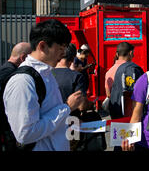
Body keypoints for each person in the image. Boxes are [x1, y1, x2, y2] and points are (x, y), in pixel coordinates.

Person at [2, 19, 83, 151]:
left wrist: (66, 123)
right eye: (60, 48)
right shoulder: (23, 81)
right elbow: (25, 133)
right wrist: (66, 107)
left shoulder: (46, 73)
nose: (63, 54)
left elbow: (48, 115)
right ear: (42, 46)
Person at [108, 42, 144, 119]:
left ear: (117, 54)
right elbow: (132, 94)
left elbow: (109, 94)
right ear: (130, 53)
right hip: (129, 114)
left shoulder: (111, 71)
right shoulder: (132, 69)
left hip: (116, 111)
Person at [53, 43, 91, 117]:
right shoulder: (77, 77)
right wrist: (89, 104)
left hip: (49, 123)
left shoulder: (46, 75)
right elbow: (81, 106)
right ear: (73, 59)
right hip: (72, 122)